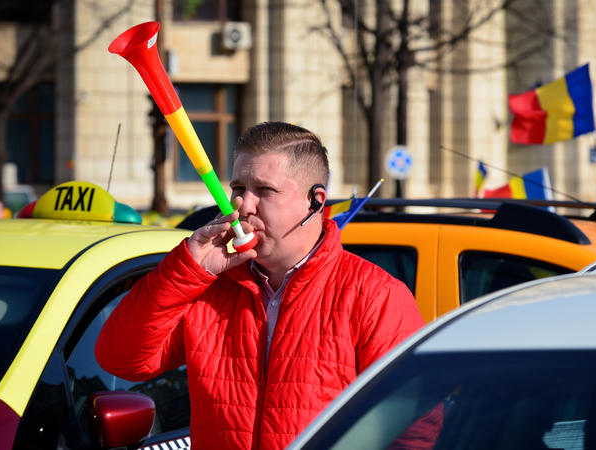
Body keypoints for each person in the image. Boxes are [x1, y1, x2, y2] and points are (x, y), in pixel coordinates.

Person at [95, 121, 424, 449]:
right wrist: (188, 268)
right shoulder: (211, 285)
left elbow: (414, 430)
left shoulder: (376, 295)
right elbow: (121, 359)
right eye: (238, 188)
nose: (243, 206)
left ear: (316, 201)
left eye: (264, 190)